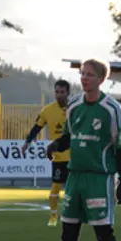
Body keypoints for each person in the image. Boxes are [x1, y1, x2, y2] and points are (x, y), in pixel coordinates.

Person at [34, 58, 121, 241]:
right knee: (68, 233)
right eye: (82, 74)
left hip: (98, 179)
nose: (84, 78)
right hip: (75, 178)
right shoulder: (75, 107)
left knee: (104, 234)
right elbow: (70, 136)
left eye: (90, 74)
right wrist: (57, 144)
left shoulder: (111, 109)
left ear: (101, 80)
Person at [21, 79, 71, 227]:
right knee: (55, 188)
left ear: (68, 93)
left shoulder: (74, 109)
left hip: (75, 157)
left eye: (62, 92)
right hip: (58, 157)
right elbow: (36, 128)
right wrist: (26, 143)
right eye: (57, 92)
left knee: (72, 191)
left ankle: (70, 217)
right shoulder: (47, 110)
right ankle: (53, 217)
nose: (59, 95)